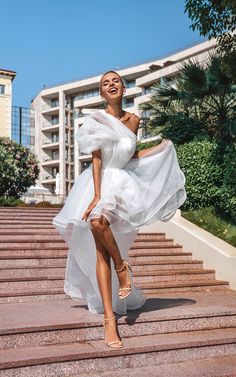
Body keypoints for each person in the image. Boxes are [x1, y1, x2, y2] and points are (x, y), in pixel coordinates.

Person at [53, 71, 186, 348]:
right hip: (99, 183)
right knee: (97, 225)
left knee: (103, 242)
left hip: (123, 184)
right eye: (105, 83)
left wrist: (158, 149)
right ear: (102, 93)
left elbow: (129, 155)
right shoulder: (95, 120)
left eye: (115, 81)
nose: (111, 84)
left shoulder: (134, 120)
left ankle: (120, 269)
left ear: (124, 89)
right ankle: (111, 316)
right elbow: (98, 158)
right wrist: (98, 195)